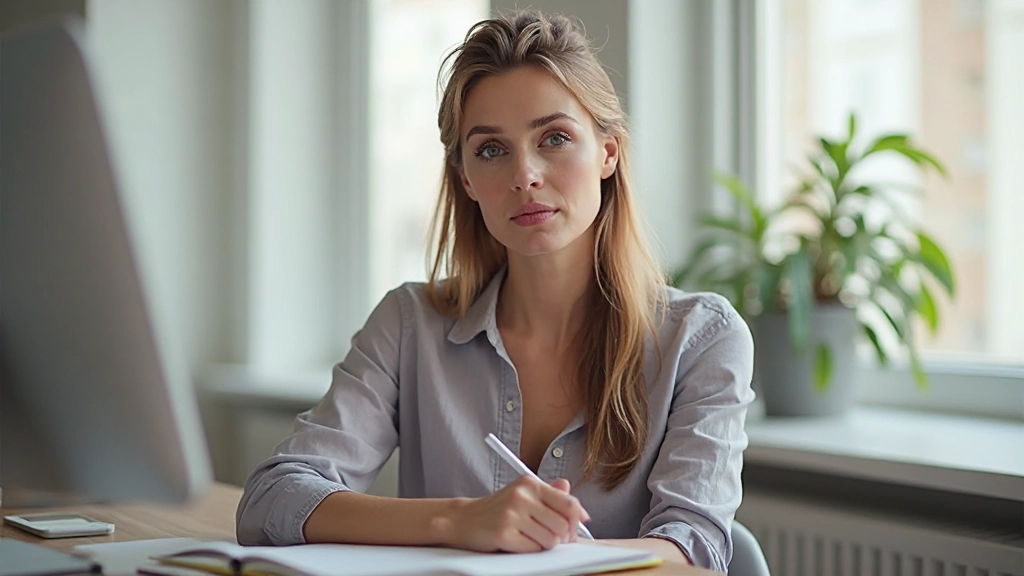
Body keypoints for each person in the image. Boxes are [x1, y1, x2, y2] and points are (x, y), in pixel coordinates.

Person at [236, 10, 754, 572]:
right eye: (490, 149)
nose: (524, 174)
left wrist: (535, 556)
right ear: (466, 179)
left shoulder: (701, 338)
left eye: (554, 138)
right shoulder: (410, 323)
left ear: (608, 152)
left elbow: (693, 551)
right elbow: (271, 500)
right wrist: (458, 521)